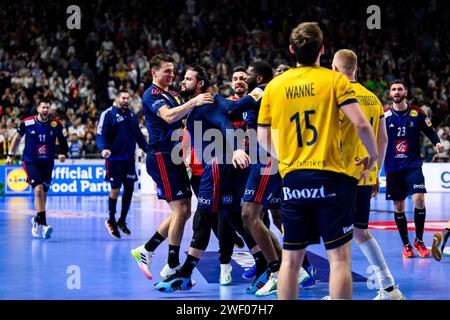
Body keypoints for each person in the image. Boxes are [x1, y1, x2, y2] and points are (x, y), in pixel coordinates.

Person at [257, 22, 378, 300]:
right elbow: (361, 124)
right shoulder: (335, 80)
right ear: (322, 50)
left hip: (294, 178)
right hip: (331, 179)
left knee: (290, 260)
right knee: (339, 260)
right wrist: (371, 158)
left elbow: (262, 136)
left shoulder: (275, 86)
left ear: (291, 50)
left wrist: (285, 158)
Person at [154, 66, 266, 293]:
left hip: (216, 167)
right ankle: (263, 263)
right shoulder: (196, 104)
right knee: (234, 216)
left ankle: (184, 274)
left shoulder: (207, 103)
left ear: (200, 83)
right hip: (219, 166)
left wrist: (235, 149)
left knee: (203, 218)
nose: (183, 81)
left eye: (188, 78)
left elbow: (224, 124)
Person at [131, 54, 214, 280]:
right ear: (154, 73)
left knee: (185, 211)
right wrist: (194, 102)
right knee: (181, 211)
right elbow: (168, 117)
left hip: (175, 155)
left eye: (173, 70)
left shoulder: (175, 94)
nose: (172, 74)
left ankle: (147, 250)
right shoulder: (152, 95)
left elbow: (186, 121)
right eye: (167, 71)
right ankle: (173, 264)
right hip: (161, 156)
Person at [333, 49, 404, 300]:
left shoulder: (337, 94)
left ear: (335, 69)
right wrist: (374, 174)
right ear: (356, 69)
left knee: (338, 237)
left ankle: (338, 292)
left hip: (340, 174)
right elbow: (383, 140)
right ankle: (389, 286)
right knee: (360, 231)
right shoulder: (374, 99)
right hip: (364, 175)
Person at [384, 79, 444, 258]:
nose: (396, 92)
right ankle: (406, 245)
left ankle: (419, 241)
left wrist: (437, 143)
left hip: (412, 166)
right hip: (393, 167)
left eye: (399, 89)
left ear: (405, 93)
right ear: (390, 94)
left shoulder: (417, 113)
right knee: (398, 206)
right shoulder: (384, 115)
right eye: (393, 89)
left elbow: (431, 131)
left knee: (419, 200)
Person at [5, 98, 69, 239]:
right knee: (38, 189)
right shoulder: (27, 123)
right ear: (38, 109)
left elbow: (64, 141)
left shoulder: (56, 124)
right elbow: (16, 138)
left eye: (48, 107)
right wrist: (10, 155)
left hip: (48, 162)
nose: (45, 110)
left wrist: (63, 153)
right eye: (43, 107)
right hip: (31, 161)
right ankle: (44, 224)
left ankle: (36, 219)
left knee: (44, 193)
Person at [96, 90, 149, 238]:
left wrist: (148, 150)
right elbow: (100, 134)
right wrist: (103, 148)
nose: (126, 100)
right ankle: (111, 220)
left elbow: (138, 135)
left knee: (130, 189)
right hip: (114, 159)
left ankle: (122, 220)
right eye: (123, 98)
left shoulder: (132, 115)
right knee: (115, 189)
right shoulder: (108, 114)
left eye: (128, 98)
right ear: (118, 99)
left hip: (129, 159)